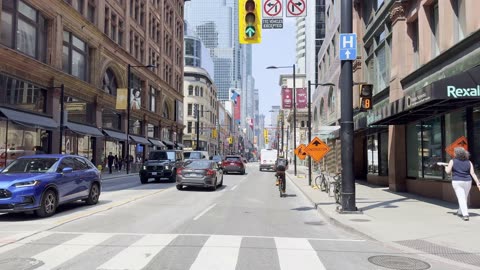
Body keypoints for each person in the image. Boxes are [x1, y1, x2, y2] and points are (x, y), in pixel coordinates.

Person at [442, 147, 480, 221]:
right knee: (464, 197)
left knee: (461, 198)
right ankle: (460, 211)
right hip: (468, 181)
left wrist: (445, 167)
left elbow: (448, 171)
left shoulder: (452, 161)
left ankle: (465, 214)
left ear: (456, 153)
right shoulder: (469, 162)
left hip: (457, 181)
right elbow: (472, 173)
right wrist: (478, 182)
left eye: (454, 152)